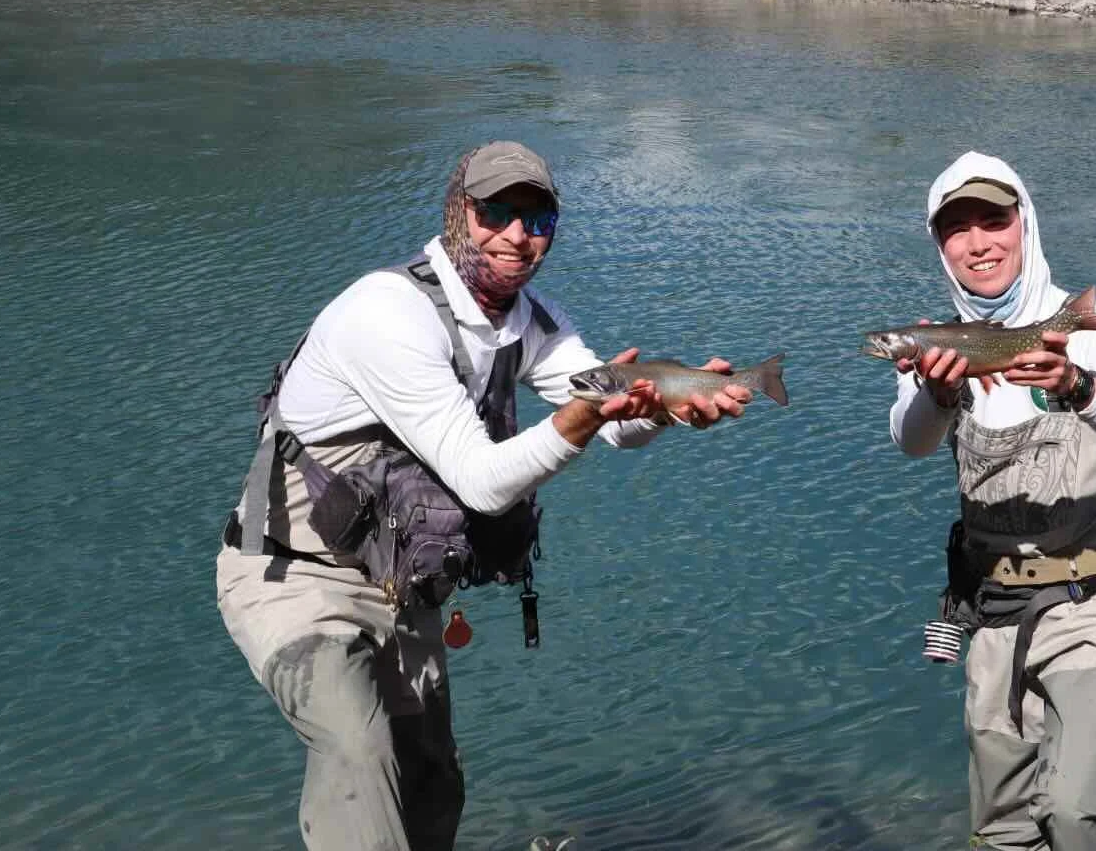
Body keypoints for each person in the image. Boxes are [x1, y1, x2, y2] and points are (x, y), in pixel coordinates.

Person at [216, 141, 751, 851]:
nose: (516, 236)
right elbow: (480, 478)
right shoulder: (387, 313)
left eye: (537, 221)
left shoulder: (534, 323)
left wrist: (655, 411)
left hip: (400, 588)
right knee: (358, 750)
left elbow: (615, 429)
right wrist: (580, 419)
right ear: (455, 214)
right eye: (495, 212)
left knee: (433, 784)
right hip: (293, 575)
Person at [888, 151, 1096, 851]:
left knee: (1074, 810)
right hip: (995, 616)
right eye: (958, 229)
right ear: (939, 245)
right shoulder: (934, 342)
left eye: (994, 221)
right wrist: (939, 390)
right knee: (1004, 831)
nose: (979, 243)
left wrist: (1076, 384)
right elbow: (912, 442)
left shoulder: (1094, 322)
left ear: (1026, 224)